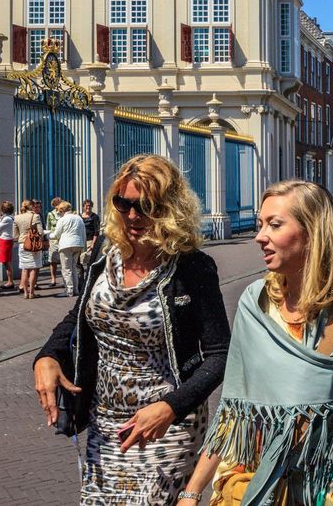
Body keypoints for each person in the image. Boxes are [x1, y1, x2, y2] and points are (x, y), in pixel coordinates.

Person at [179, 179, 333, 506]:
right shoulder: (255, 303)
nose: (260, 236)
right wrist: (191, 493)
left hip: (326, 489)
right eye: (260, 225)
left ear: (313, 232)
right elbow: (234, 409)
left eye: (274, 225)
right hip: (251, 485)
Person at [33, 154, 231, 504]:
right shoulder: (104, 255)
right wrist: (48, 355)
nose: (133, 216)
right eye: (123, 204)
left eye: (146, 206)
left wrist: (171, 406)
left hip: (166, 426)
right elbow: (79, 316)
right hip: (103, 423)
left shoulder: (192, 268)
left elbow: (219, 355)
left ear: (170, 208)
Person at [50, 200, 86, 299]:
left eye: (59, 210)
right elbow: (83, 233)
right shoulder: (78, 218)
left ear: (62, 210)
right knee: (74, 267)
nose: (58, 212)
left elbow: (56, 235)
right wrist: (84, 246)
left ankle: (69, 290)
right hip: (78, 244)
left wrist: (48, 235)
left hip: (66, 245)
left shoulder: (62, 220)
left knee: (66, 269)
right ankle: (76, 290)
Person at [14, 199, 46, 298]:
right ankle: (32, 293)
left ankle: (25, 293)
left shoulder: (17, 217)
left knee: (24, 269)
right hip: (33, 244)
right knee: (33, 268)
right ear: (31, 206)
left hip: (22, 244)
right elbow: (41, 232)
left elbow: (15, 235)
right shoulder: (35, 216)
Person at [0, 200, 17, 290]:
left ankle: (10, 282)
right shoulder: (10, 217)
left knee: (6, 262)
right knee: (6, 261)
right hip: (8, 240)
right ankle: (10, 281)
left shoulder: (6, 219)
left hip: (5, 240)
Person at [46, 196, 63, 288]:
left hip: (63, 239)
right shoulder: (50, 214)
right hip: (53, 240)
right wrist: (48, 239)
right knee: (53, 261)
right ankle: (53, 279)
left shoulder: (63, 214)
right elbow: (48, 227)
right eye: (57, 204)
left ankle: (64, 278)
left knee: (63, 260)